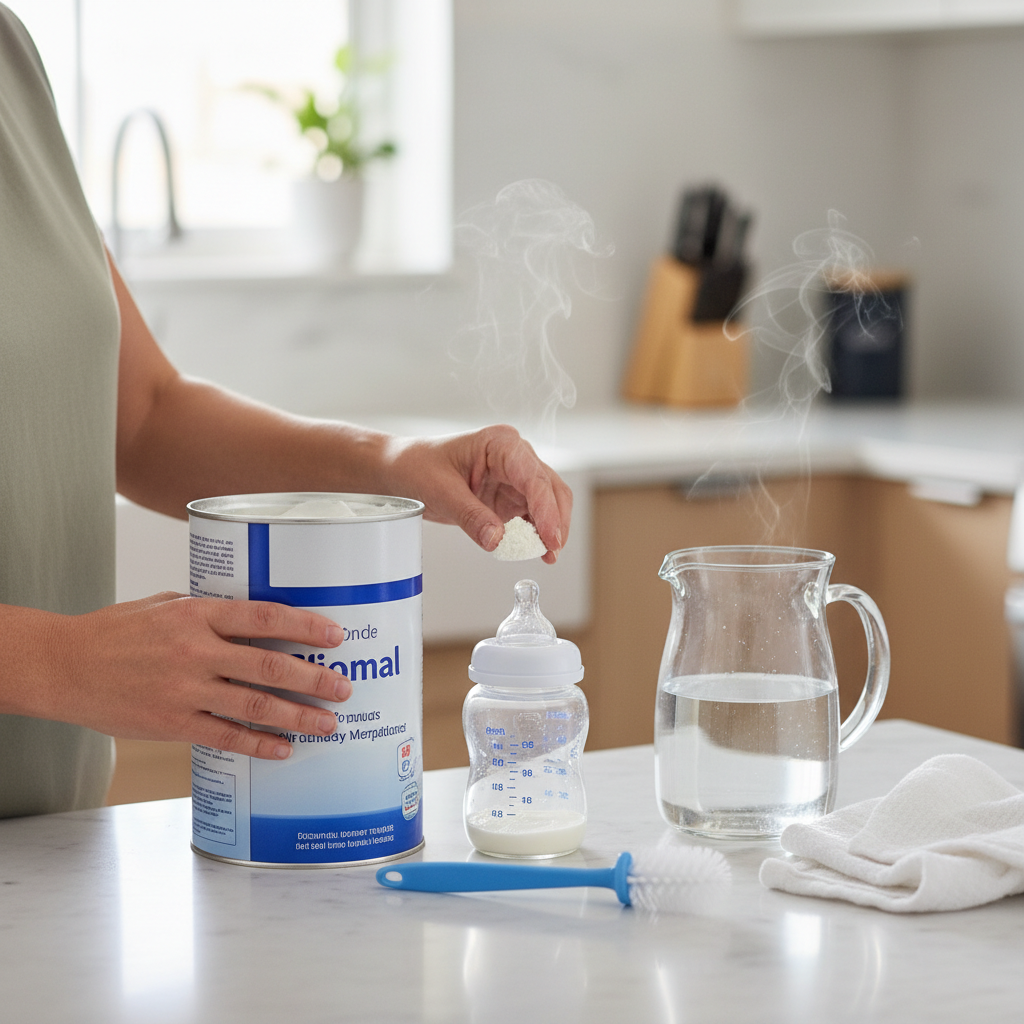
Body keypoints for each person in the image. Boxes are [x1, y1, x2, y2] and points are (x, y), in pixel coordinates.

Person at [0, 7, 572, 818]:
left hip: (48, 847)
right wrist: (57, 663)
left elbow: (143, 417)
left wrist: (390, 464)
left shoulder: (11, 59)